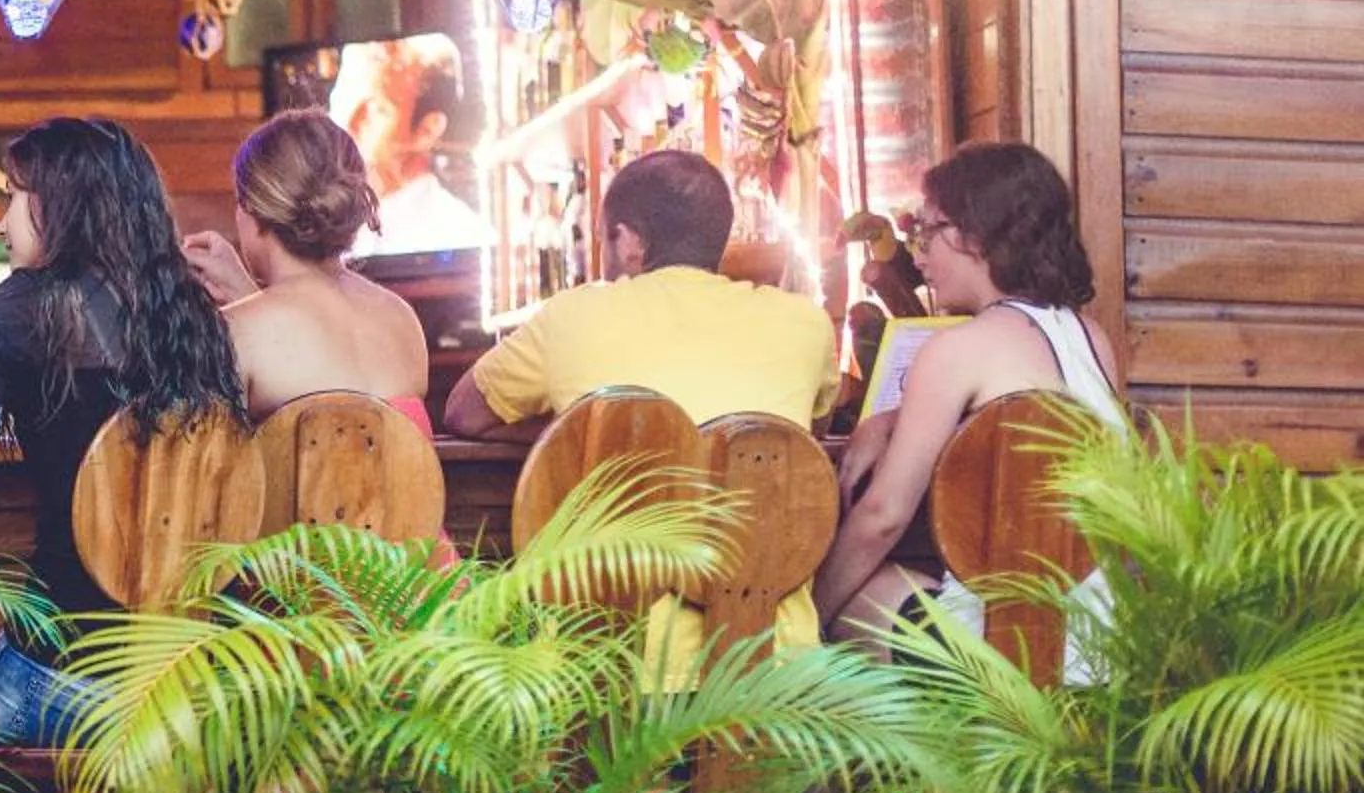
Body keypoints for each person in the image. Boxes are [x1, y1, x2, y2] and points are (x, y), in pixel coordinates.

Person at [0, 117, 245, 745]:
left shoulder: (34, 302)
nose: (1, 222)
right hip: (183, 690)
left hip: (60, 682)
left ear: (63, 206)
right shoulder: (192, 318)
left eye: (13, 196)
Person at [442, 149, 837, 652]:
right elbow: (807, 437)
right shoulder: (804, 324)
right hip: (773, 672)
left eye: (605, 237)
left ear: (629, 241)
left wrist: (584, 428)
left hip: (604, 674)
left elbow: (463, 412)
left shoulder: (573, 317)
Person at [815, 142, 1126, 665]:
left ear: (974, 236)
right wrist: (889, 422)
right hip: (1098, 645)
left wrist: (805, 618)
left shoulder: (958, 348)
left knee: (861, 583)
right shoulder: (1091, 338)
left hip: (1000, 657)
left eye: (927, 231)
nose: (918, 254)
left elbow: (883, 518)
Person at [180, 108, 433, 428]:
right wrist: (246, 294)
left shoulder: (235, 336)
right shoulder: (402, 319)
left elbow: (201, 470)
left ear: (252, 209)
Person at [337, 33, 487, 255]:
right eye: (349, 100)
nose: (352, 122)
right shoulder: (331, 228)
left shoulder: (461, 234)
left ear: (427, 130)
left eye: (378, 109)